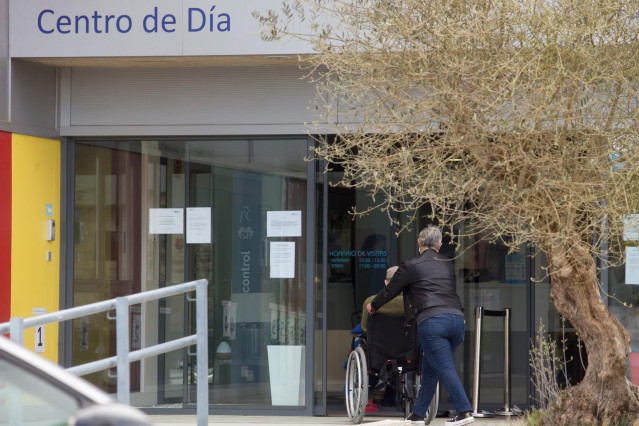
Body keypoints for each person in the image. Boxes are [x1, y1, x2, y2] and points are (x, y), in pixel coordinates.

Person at [367, 225, 473, 426]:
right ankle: (417, 415)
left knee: (444, 367)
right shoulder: (448, 265)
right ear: (439, 245)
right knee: (431, 367)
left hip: (433, 322)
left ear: (419, 242)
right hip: (458, 321)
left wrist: (373, 305)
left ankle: (465, 411)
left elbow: (390, 291)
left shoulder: (410, 265)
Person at [359, 266, 402, 412]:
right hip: (405, 351)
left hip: (378, 351)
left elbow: (365, 328)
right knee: (397, 360)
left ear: (385, 282)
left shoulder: (371, 301)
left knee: (363, 347)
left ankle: (366, 396)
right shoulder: (412, 303)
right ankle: (391, 400)